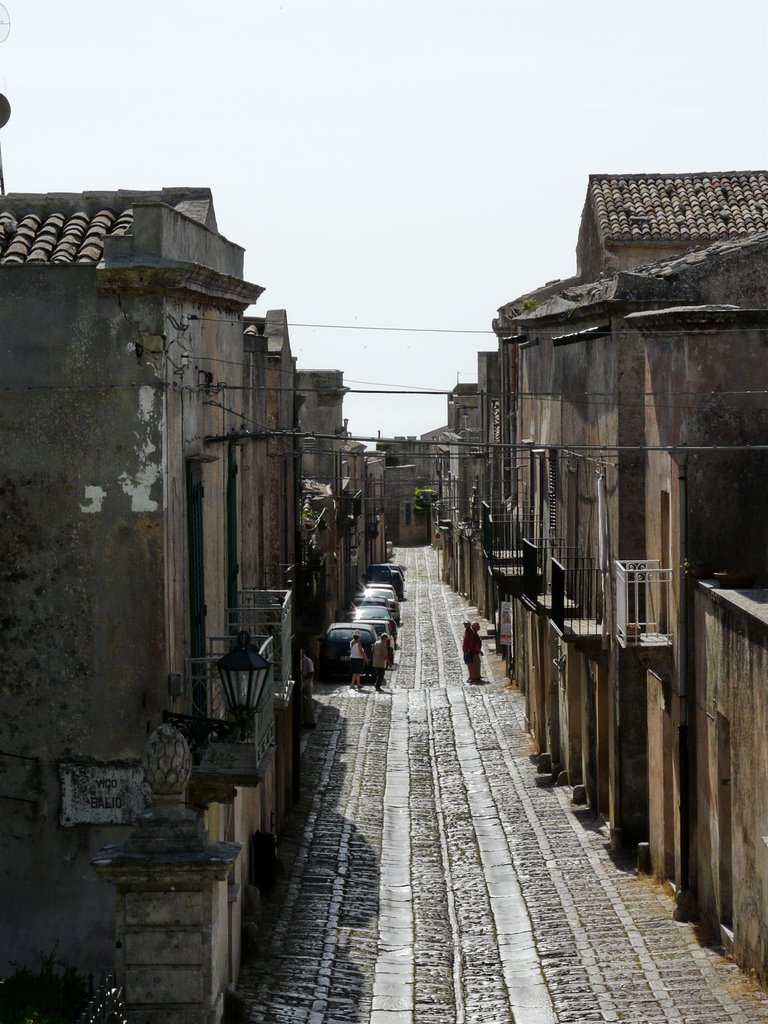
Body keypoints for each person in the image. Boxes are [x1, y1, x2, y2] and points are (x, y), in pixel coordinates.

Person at [301, 650, 315, 727]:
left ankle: (310, 721)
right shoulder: (301, 660)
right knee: (303, 703)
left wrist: (304, 679)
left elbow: (311, 672)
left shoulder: (308, 661)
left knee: (308, 703)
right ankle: (304, 720)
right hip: (302, 684)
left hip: (307, 684)